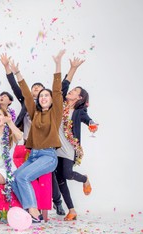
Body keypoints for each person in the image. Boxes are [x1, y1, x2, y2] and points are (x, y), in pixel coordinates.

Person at [10, 49, 65, 223]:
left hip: (48, 156)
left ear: (51, 99)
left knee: (24, 177)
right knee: (14, 178)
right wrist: (17, 73)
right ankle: (30, 210)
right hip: (33, 155)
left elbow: (57, 90)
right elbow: (27, 94)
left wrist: (57, 64)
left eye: (46, 95)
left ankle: (34, 213)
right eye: (41, 96)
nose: (43, 97)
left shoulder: (55, 113)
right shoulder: (35, 113)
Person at [52, 57, 98, 221]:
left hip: (70, 148)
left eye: (74, 92)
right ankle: (72, 210)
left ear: (79, 98)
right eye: (71, 91)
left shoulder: (79, 112)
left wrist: (92, 123)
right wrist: (73, 68)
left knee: (68, 174)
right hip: (55, 148)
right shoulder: (60, 104)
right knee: (60, 179)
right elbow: (63, 86)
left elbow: (87, 118)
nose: (70, 92)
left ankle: (85, 178)